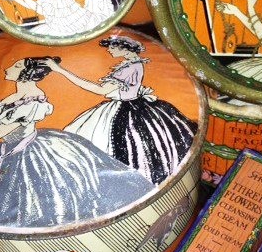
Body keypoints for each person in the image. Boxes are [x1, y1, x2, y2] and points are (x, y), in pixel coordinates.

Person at [0, 57, 154, 228]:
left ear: (28, 73)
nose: (8, 68)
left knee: (35, 205)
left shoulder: (33, 103)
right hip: (6, 150)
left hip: (29, 156)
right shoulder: (13, 99)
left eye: (16, 66)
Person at [44, 35, 197, 185]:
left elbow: (99, 89)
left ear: (124, 48)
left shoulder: (129, 68)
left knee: (122, 146)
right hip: (136, 106)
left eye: (112, 47)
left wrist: (59, 70)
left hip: (127, 111)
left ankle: (125, 184)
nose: (109, 50)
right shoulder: (134, 63)